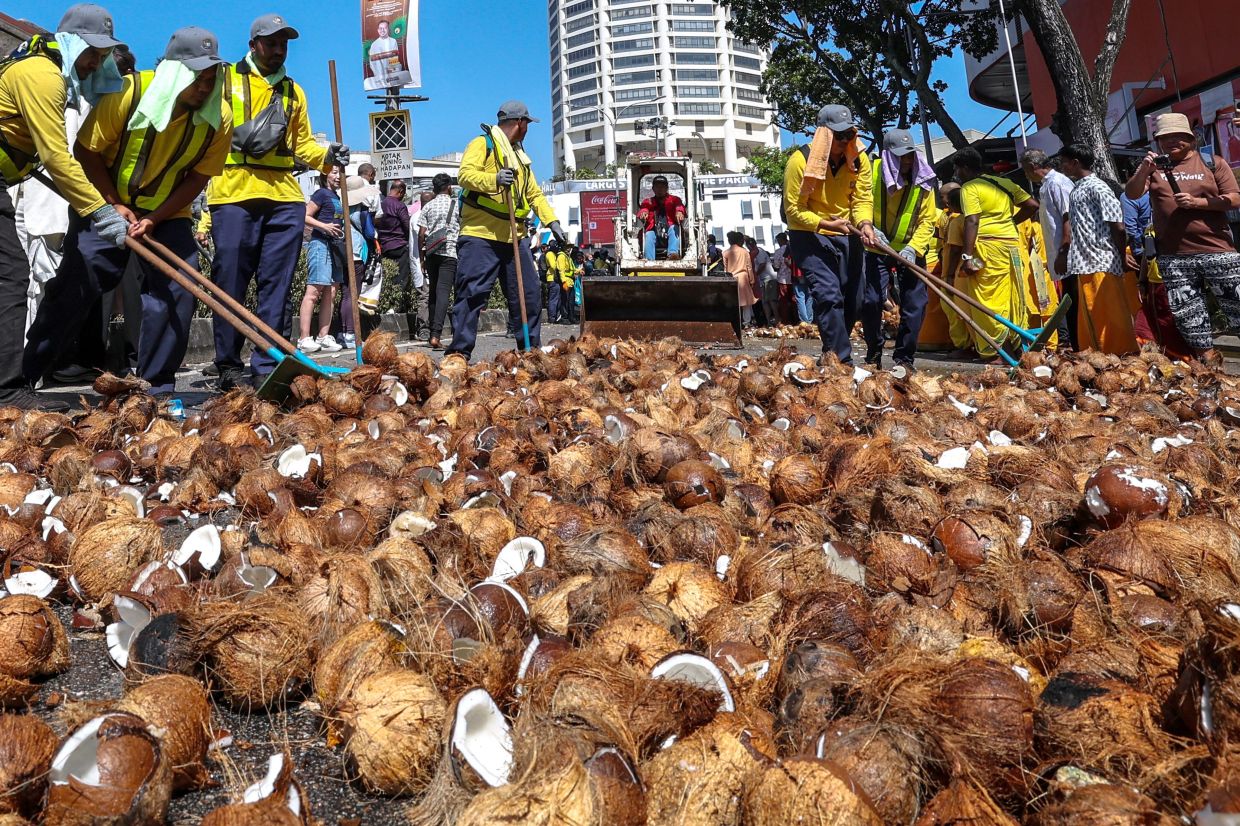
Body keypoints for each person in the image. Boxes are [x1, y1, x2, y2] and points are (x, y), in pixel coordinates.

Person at [25, 26, 232, 398]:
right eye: (197, 78)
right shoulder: (130, 91)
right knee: (77, 284)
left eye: (210, 78)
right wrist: (112, 204)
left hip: (168, 214)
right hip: (107, 206)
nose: (204, 88)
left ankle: (155, 388)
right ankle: (24, 377)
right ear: (173, 71)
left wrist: (155, 218)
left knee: (178, 288)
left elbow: (199, 177)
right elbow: (86, 151)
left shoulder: (220, 115)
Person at [207, 13, 349, 390]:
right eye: (271, 42)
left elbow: (302, 145)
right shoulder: (225, 80)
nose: (279, 49)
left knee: (277, 285)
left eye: (284, 43)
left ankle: (267, 363)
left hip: (284, 197)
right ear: (254, 44)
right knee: (230, 281)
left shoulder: (294, 92)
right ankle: (227, 364)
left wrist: (329, 155)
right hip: (233, 191)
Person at [0, 4, 128, 410]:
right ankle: (6, 391)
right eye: (91, 51)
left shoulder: (44, 71)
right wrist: (101, 210)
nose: (95, 62)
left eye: (102, 54)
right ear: (70, 42)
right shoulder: (41, 75)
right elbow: (57, 157)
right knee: (12, 276)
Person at [446, 101, 564, 360]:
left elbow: (533, 193)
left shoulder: (519, 155)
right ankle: (458, 354)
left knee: (529, 295)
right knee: (471, 295)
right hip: (481, 235)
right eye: (528, 124)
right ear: (520, 122)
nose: (527, 129)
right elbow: (464, 175)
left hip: (515, 238)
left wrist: (552, 222)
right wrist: (494, 179)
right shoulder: (483, 144)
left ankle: (530, 353)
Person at [1125, 112, 1240, 364]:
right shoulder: (1153, 170)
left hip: (1218, 252)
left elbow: (1234, 197)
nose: (1171, 142)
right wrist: (1144, 169)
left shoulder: (1212, 162)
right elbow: (1132, 194)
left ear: (1191, 139)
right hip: (1175, 258)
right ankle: (1211, 372)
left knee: (1237, 310)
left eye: (1178, 136)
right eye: (1165, 138)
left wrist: (1198, 203)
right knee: (1191, 320)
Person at [783, 104, 877, 362]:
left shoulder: (859, 159)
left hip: (848, 233)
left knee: (854, 300)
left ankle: (832, 352)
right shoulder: (799, 161)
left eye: (849, 134)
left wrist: (865, 224)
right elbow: (793, 210)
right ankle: (842, 360)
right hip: (810, 234)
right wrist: (825, 224)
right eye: (838, 135)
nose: (844, 140)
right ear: (823, 134)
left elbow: (862, 198)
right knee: (828, 296)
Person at [861, 128, 937, 370]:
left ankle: (904, 358)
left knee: (916, 305)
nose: (906, 161)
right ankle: (874, 349)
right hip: (876, 246)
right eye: (901, 156)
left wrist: (913, 248)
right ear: (888, 155)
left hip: (910, 250)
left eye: (909, 155)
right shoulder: (871, 173)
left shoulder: (923, 177)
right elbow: (858, 204)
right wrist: (869, 227)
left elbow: (928, 219)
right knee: (872, 301)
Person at [953, 147, 1039, 362]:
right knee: (1012, 298)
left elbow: (972, 220)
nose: (957, 174)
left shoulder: (970, 188)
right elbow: (1032, 205)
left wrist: (966, 257)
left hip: (987, 246)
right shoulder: (1004, 183)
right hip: (1011, 245)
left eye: (957, 169)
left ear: (964, 167)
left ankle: (996, 351)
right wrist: (1011, 223)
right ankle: (1018, 347)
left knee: (987, 299)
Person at [1057, 143, 1137, 354]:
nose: (1062, 167)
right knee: (1092, 314)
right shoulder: (1078, 189)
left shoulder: (1098, 187)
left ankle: (1121, 355)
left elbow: (1117, 226)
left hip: (1102, 260)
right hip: (1085, 262)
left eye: (1064, 163)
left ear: (1075, 163)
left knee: (1110, 315)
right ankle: (1097, 355)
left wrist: (1121, 255)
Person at [1022, 148, 1076, 350]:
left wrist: (1063, 250)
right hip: (1055, 252)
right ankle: (1069, 340)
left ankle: (1072, 341)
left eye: (1026, 170)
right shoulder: (1045, 186)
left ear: (1033, 167)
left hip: (1066, 253)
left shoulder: (1058, 183)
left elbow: (1068, 216)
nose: (1025, 174)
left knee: (1071, 298)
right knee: (1065, 297)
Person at [296, 169, 346, 353]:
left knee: (332, 291)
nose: (337, 176)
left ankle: (323, 336)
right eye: (333, 172)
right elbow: (304, 215)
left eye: (339, 172)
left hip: (335, 246)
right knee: (314, 290)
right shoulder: (321, 194)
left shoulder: (337, 197)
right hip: (320, 244)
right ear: (325, 175)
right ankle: (303, 338)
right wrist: (324, 226)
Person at [416, 173, 459, 349]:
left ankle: (432, 333)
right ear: (448, 187)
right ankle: (436, 335)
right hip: (450, 252)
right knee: (443, 293)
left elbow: (421, 234)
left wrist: (422, 257)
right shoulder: (456, 205)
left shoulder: (428, 206)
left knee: (433, 292)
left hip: (432, 252)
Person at [376, 179, 414, 320]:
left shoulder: (381, 203)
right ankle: (395, 306)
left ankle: (384, 304)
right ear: (400, 192)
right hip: (399, 245)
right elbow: (406, 224)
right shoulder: (399, 206)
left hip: (384, 246)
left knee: (386, 276)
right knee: (401, 278)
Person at [637, 175, 686, 260]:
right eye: (657, 186)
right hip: (654, 232)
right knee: (649, 234)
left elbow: (679, 206)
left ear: (667, 188)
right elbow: (644, 208)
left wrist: (679, 212)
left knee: (674, 228)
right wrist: (644, 212)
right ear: (653, 189)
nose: (660, 189)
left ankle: (672, 255)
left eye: (662, 186)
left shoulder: (674, 199)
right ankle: (649, 261)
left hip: (670, 231)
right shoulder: (648, 201)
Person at [724, 231, 758, 327]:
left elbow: (725, 269)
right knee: (746, 303)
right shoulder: (745, 252)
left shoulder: (725, 253)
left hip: (731, 279)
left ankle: (735, 322)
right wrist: (752, 280)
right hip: (743, 277)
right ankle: (746, 323)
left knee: (734, 302)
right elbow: (749, 267)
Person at [750, 237, 778, 327]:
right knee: (765, 302)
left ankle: (777, 320)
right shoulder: (756, 252)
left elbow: (762, 264)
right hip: (763, 280)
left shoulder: (759, 251)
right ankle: (768, 321)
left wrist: (756, 274)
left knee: (771, 301)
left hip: (769, 278)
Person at [366, 20, 402, 89]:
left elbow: (394, 59)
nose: (382, 30)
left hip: (392, 75)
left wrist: (392, 74)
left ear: (388, 29)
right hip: (381, 76)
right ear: (377, 30)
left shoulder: (393, 41)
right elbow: (372, 63)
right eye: (380, 28)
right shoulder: (374, 44)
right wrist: (379, 75)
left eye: (384, 28)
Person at [772, 232, 793, 325]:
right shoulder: (793, 248)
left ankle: (785, 321)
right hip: (793, 278)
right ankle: (796, 319)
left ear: (780, 240)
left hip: (782, 279)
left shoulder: (778, 252)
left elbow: (776, 266)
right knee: (794, 300)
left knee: (783, 302)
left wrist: (774, 266)